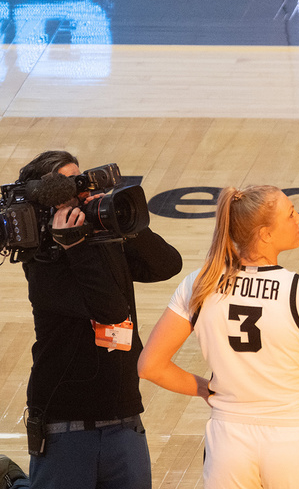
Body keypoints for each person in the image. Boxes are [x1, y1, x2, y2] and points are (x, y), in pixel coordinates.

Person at [137, 185, 299, 489]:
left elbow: (150, 366)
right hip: (296, 443)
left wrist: (204, 389)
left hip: (229, 445)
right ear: (265, 233)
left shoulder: (199, 284)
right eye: (291, 214)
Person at [16, 150, 182, 489]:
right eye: (67, 188)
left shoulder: (102, 240)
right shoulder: (43, 263)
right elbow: (111, 311)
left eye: (79, 181)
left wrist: (124, 221)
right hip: (66, 423)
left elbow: (167, 265)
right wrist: (74, 246)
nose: (80, 193)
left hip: (124, 417)